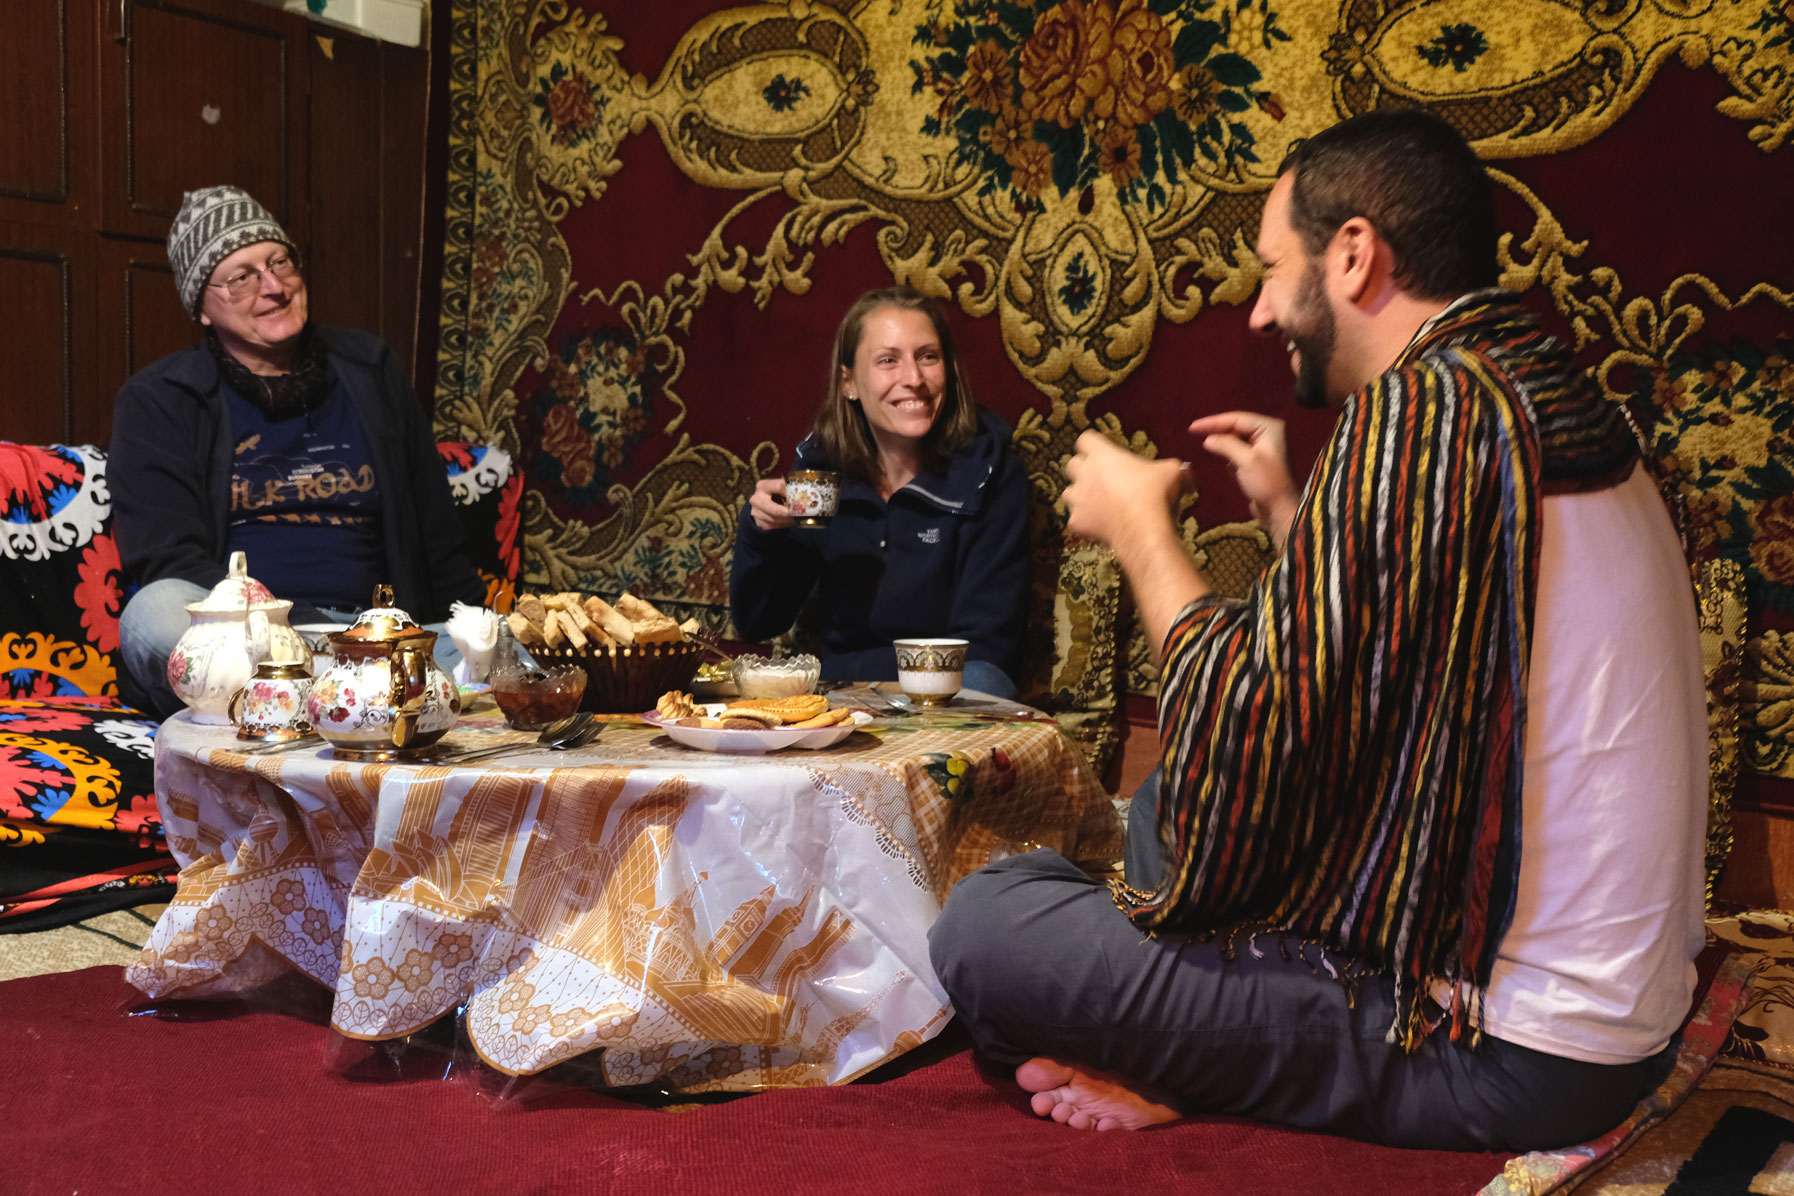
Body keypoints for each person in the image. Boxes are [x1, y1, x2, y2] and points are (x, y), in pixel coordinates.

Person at [927, 111, 1708, 1151]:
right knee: (1155, 809)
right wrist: (1295, 519)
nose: (1260, 313)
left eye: (1269, 268)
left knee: (989, 920)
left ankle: (1193, 1052)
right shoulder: (1526, 389)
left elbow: (1246, 752)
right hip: (1604, 1028)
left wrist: (1141, 529)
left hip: (1498, 1049)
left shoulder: (1420, 413)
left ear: (1352, 255)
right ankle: (1198, 1036)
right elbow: (1412, 663)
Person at [112, 185, 485, 718]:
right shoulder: (160, 401)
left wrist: (476, 633)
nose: (273, 288)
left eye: (279, 261)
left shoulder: (369, 368)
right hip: (251, 643)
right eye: (241, 277)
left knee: (507, 652)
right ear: (201, 307)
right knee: (154, 614)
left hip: (384, 638)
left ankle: (332, 698)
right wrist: (291, 630)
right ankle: (361, 698)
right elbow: (170, 560)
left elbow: (436, 533)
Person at [729, 286, 1030, 699]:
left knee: (982, 681)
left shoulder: (989, 472)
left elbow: (984, 649)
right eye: (889, 361)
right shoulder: (822, 472)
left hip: (948, 691)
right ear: (849, 382)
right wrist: (761, 531)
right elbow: (758, 623)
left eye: (928, 357)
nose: (915, 379)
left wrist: (845, 674)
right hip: (841, 691)